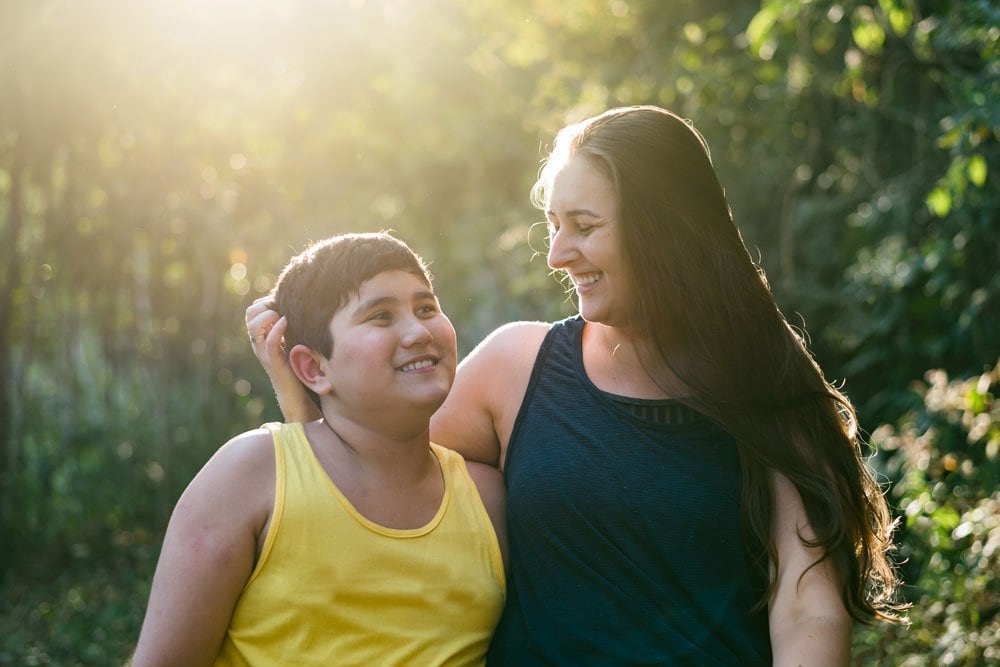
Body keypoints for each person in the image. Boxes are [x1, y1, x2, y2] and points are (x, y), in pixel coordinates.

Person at [246, 106, 903, 665]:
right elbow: (362, 475)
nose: (558, 254)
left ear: (665, 231)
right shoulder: (515, 367)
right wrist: (299, 389)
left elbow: (808, 603)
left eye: (584, 226)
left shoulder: (766, 383)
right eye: (554, 225)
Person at [135, 233, 508, 666]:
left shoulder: (487, 499)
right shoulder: (251, 476)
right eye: (381, 316)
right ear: (312, 367)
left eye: (426, 308)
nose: (418, 331)